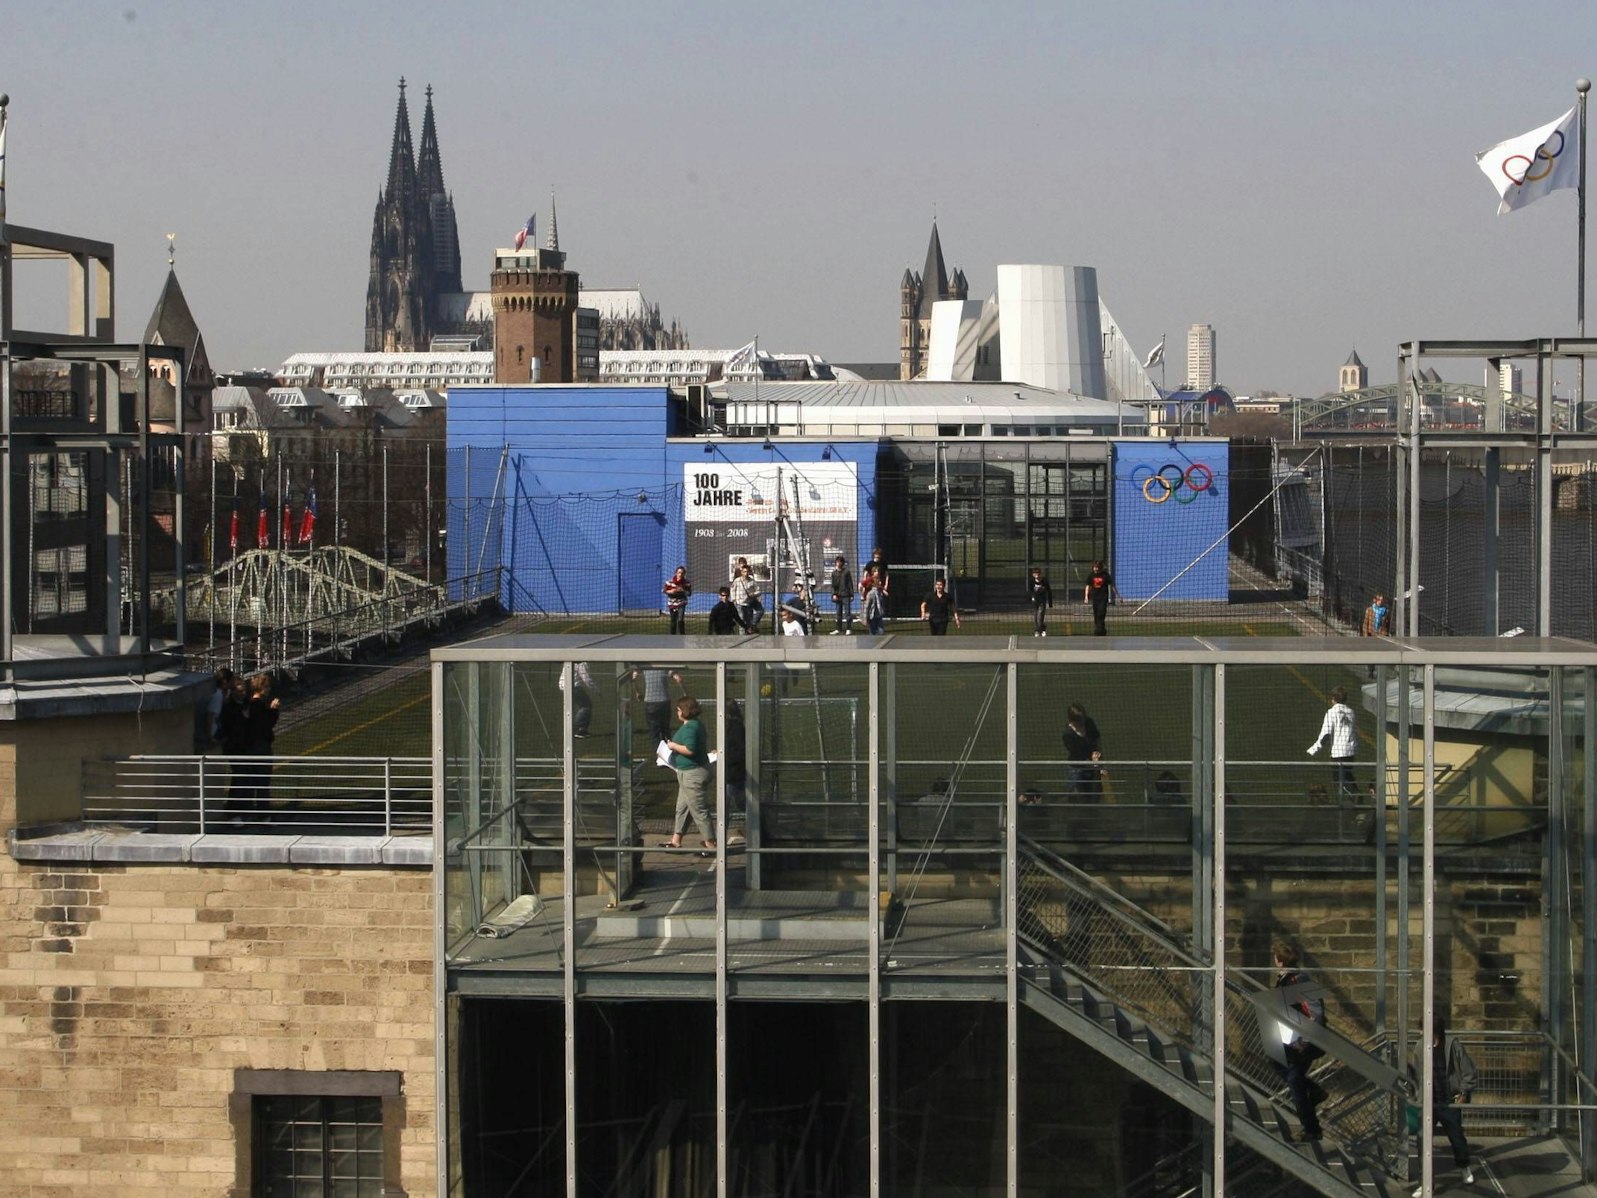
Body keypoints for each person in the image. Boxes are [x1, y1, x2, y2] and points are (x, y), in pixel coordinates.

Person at [1411, 1015, 1477, 1194]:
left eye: (1423, 1029)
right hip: (1428, 1101)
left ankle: (1464, 1166)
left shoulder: (1452, 1045)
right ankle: (1425, 1182)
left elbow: (1469, 1071)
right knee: (1422, 1140)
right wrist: (1417, 1096)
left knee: (1457, 1138)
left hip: (1449, 1101)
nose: (1420, 1032)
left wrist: (1463, 1092)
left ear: (1434, 1031)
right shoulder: (1419, 1047)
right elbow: (1417, 1074)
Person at [1273, 941, 1327, 1142]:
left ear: (1279, 960)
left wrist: (1306, 1039)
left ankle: (1311, 1129)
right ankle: (1315, 1092)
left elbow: (1315, 1012)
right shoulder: (1286, 979)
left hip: (1302, 1041)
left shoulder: (1297, 979)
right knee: (1278, 1065)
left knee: (1295, 1082)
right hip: (1292, 1039)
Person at [661, 696, 715, 852]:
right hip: (687, 773)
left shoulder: (690, 728)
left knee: (698, 809)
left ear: (684, 711)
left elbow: (690, 749)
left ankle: (711, 844)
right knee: (682, 808)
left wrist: (672, 746)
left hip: (693, 775)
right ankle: (676, 840)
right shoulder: (696, 724)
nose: (677, 712)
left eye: (678, 709)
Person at [240, 673, 281, 811]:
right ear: (261, 687)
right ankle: (263, 812)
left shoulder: (251, 705)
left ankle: (249, 810)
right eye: (267, 687)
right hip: (260, 747)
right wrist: (274, 710)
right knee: (262, 781)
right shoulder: (258, 706)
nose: (269, 689)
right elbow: (266, 725)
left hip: (251, 747)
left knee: (252, 781)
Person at [1308, 685, 1357, 799]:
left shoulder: (1331, 713)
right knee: (1347, 776)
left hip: (1339, 753)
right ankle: (1354, 798)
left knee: (1339, 780)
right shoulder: (1351, 712)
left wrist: (1313, 749)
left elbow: (1326, 734)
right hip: (1350, 752)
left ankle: (1354, 797)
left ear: (1333, 698)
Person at [1061, 702, 1105, 801]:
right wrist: (1093, 764)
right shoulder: (1068, 734)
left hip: (1093, 765)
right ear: (1072, 721)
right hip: (1077, 768)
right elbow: (1077, 754)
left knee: (1095, 795)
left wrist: (1100, 759)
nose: (1082, 723)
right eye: (1079, 721)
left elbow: (1097, 740)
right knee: (1077, 797)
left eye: (1083, 719)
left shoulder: (1089, 723)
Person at [632, 667, 682, 749]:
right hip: (664, 701)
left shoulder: (644, 664)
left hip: (651, 702)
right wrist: (685, 693)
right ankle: (668, 751)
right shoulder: (664, 663)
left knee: (654, 732)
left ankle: (659, 753)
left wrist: (638, 692)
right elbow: (677, 678)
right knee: (665, 730)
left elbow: (633, 677)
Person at [558, 661, 596, 738]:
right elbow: (586, 678)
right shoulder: (581, 663)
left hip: (564, 686)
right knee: (586, 705)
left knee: (574, 707)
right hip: (574, 686)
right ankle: (578, 729)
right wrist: (596, 690)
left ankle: (577, 729)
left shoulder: (571, 660)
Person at [1084, 560, 1120, 637]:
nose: (1095, 569)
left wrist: (1118, 596)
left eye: (1096, 567)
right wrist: (1086, 597)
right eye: (1094, 567)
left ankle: (1099, 630)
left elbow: (1112, 586)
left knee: (1101, 613)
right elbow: (1088, 586)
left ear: (1100, 567)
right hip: (1095, 598)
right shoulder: (1091, 575)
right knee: (1096, 614)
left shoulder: (1105, 575)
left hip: (1103, 597)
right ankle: (1101, 630)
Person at [730, 559, 763, 632]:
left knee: (749, 620)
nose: (746, 573)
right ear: (741, 572)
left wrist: (754, 594)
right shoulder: (737, 580)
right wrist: (733, 599)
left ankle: (751, 628)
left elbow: (758, 590)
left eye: (747, 571)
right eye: (744, 572)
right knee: (742, 620)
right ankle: (742, 635)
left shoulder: (752, 581)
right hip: (739, 603)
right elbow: (732, 589)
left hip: (748, 603)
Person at [663, 566, 692, 635]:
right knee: (673, 621)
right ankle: (673, 637)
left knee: (680, 620)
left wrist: (682, 590)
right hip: (672, 604)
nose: (680, 574)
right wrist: (671, 591)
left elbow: (689, 593)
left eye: (682, 573)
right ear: (676, 573)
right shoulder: (670, 582)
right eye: (679, 573)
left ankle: (682, 635)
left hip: (681, 603)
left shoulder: (687, 583)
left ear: (684, 574)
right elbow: (664, 590)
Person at [829, 555, 854, 634]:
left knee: (847, 613)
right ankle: (838, 629)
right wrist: (834, 594)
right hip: (838, 596)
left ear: (842, 563)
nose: (838, 563)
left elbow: (850, 584)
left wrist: (851, 595)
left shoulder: (846, 572)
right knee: (838, 613)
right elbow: (833, 585)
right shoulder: (834, 573)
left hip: (846, 595)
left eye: (840, 562)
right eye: (837, 562)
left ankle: (848, 628)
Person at [1027, 567, 1054, 637]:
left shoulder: (1044, 581)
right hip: (1035, 601)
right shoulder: (1031, 581)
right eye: (1035, 574)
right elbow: (1030, 591)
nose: (1037, 575)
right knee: (1036, 616)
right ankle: (1042, 629)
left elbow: (1049, 591)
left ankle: (1038, 630)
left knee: (1040, 616)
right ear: (1033, 574)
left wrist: (1050, 603)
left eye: (1038, 573)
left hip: (1042, 601)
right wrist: (1032, 597)